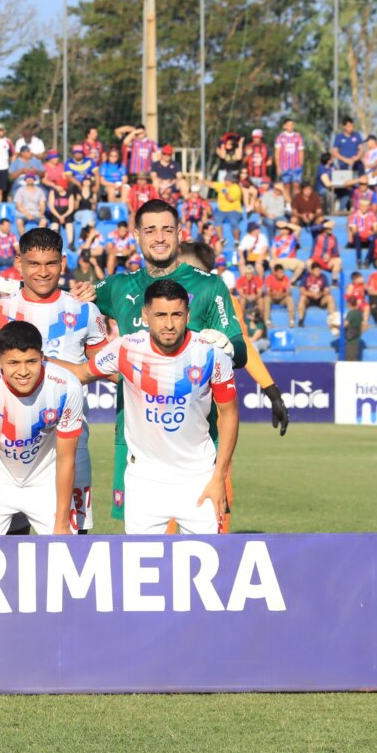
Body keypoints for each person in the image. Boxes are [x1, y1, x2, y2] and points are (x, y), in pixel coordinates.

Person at [84, 199, 247, 524]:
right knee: (143, 551)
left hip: (194, 444)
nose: (159, 237)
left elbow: (240, 351)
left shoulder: (209, 285)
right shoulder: (118, 286)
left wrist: (226, 344)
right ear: (137, 236)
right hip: (136, 445)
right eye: (150, 230)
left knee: (201, 552)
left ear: (179, 233)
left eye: (167, 229)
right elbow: (69, 302)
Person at [63, 279, 239, 534]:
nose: (169, 324)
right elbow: (81, 372)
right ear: (146, 315)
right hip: (144, 481)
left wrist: (219, 477)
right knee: (142, 569)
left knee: (208, 566)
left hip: (199, 478)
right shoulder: (126, 348)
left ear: (187, 314)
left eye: (177, 314)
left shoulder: (211, 353)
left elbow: (230, 415)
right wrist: (37, 361)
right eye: (160, 315)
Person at [0, 228, 107, 533]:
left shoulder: (85, 310)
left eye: (50, 263)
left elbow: (104, 367)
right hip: (7, 450)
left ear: (63, 262)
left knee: (73, 542)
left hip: (68, 442)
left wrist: (54, 368)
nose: (43, 272)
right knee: (5, 546)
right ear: (19, 263)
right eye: (34, 264)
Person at [0, 320, 83, 536]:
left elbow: (67, 459)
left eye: (31, 361)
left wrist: (62, 522)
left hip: (45, 479)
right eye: (13, 363)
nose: (23, 371)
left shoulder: (66, 385)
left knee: (65, 556)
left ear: (42, 357)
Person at [296, 261, 335, 327]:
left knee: (329, 297)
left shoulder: (323, 277)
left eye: (319, 270)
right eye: (316, 270)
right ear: (312, 270)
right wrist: (312, 294)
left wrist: (320, 294)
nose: (318, 272)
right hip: (309, 298)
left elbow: (327, 290)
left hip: (320, 298)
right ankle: (301, 319)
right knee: (302, 297)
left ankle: (332, 319)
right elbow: (302, 290)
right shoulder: (306, 277)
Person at [275, 119, 305, 198]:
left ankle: (297, 204)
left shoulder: (297, 137)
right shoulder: (280, 137)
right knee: (286, 186)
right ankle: (288, 204)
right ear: (284, 126)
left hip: (296, 166)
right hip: (284, 166)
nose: (290, 126)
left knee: (296, 185)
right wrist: (278, 166)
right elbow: (277, 153)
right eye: (288, 124)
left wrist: (301, 164)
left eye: (292, 124)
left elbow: (301, 151)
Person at [261, 264, 295, 328]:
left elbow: (289, 292)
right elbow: (267, 292)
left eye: (282, 272)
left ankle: (292, 321)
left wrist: (280, 294)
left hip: (282, 298)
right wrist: (274, 294)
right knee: (266, 298)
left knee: (289, 299)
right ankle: (267, 321)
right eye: (279, 272)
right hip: (272, 298)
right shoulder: (269, 278)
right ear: (275, 272)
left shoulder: (286, 279)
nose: (281, 274)